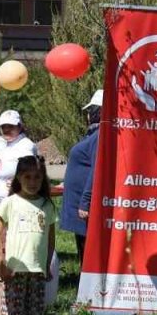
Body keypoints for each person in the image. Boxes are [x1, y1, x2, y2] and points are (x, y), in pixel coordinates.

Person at [0, 155, 56, 315]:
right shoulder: (9, 203)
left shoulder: (46, 205)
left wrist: (47, 264)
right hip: (15, 270)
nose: (32, 181)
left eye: (37, 177)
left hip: (37, 270)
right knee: (13, 313)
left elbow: (50, 238)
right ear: (19, 178)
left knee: (35, 312)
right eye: (27, 177)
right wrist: (1, 263)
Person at [61, 90, 102, 261]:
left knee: (88, 252)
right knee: (84, 250)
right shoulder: (95, 134)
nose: (87, 115)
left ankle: (87, 286)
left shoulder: (100, 135)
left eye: (90, 111)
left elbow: (96, 169)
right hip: (80, 203)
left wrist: (86, 202)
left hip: (84, 207)